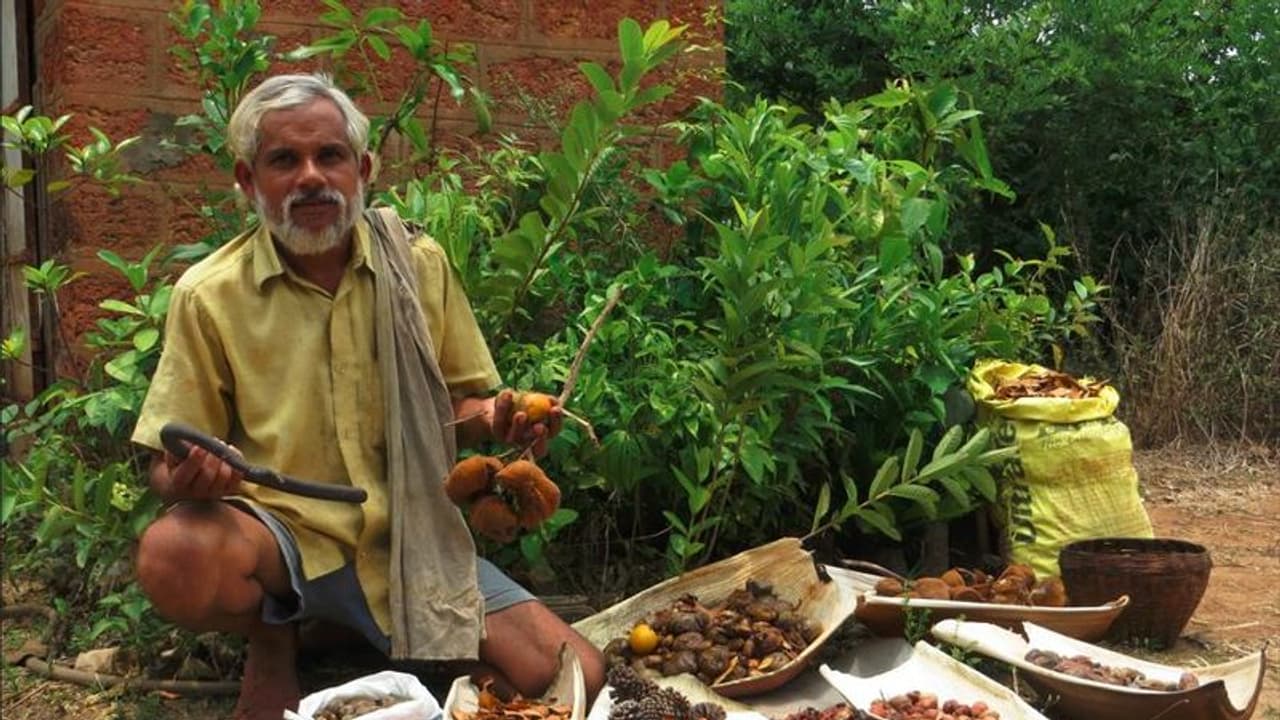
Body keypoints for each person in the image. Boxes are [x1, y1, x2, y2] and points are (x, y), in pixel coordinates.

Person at [130, 73, 605, 720]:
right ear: (247, 181)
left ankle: (352, 630)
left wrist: (499, 418)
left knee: (572, 676)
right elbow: (165, 458)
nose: (310, 177)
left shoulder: (417, 264)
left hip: (411, 545)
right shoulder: (209, 295)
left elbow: (461, 408)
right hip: (282, 543)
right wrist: (190, 477)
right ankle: (275, 639)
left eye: (329, 156)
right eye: (283, 161)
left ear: (364, 168)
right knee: (172, 553)